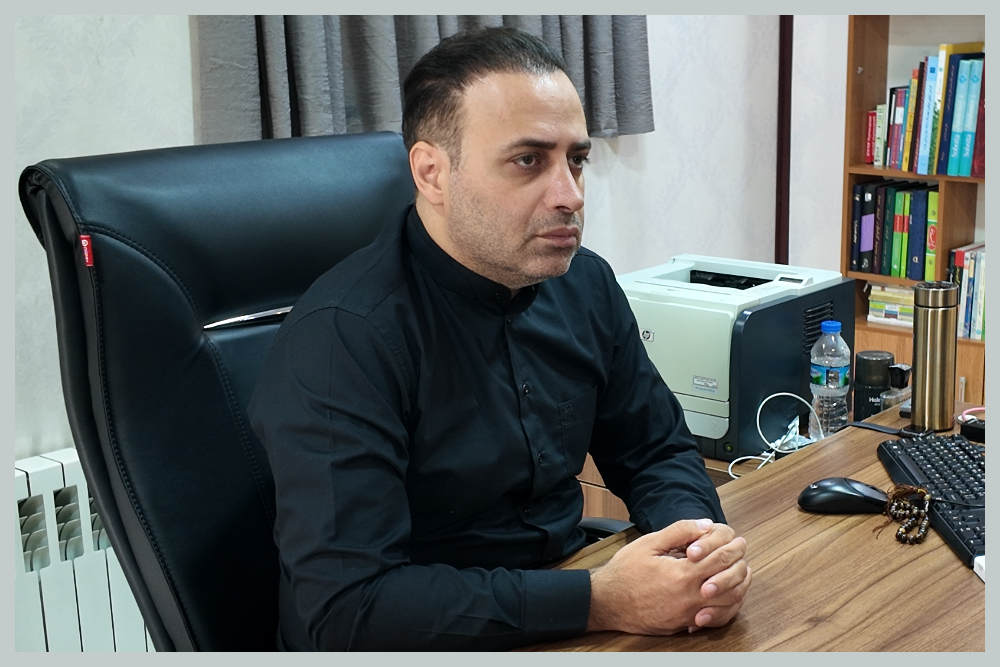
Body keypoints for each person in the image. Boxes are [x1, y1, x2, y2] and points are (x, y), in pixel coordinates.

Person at [248, 26, 751, 651]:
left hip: (568, 603)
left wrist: (696, 550)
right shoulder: (343, 339)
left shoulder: (584, 282)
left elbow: (654, 450)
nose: (570, 196)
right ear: (432, 173)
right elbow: (348, 610)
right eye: (528, 161)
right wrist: (602, 599)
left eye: (576, 160)